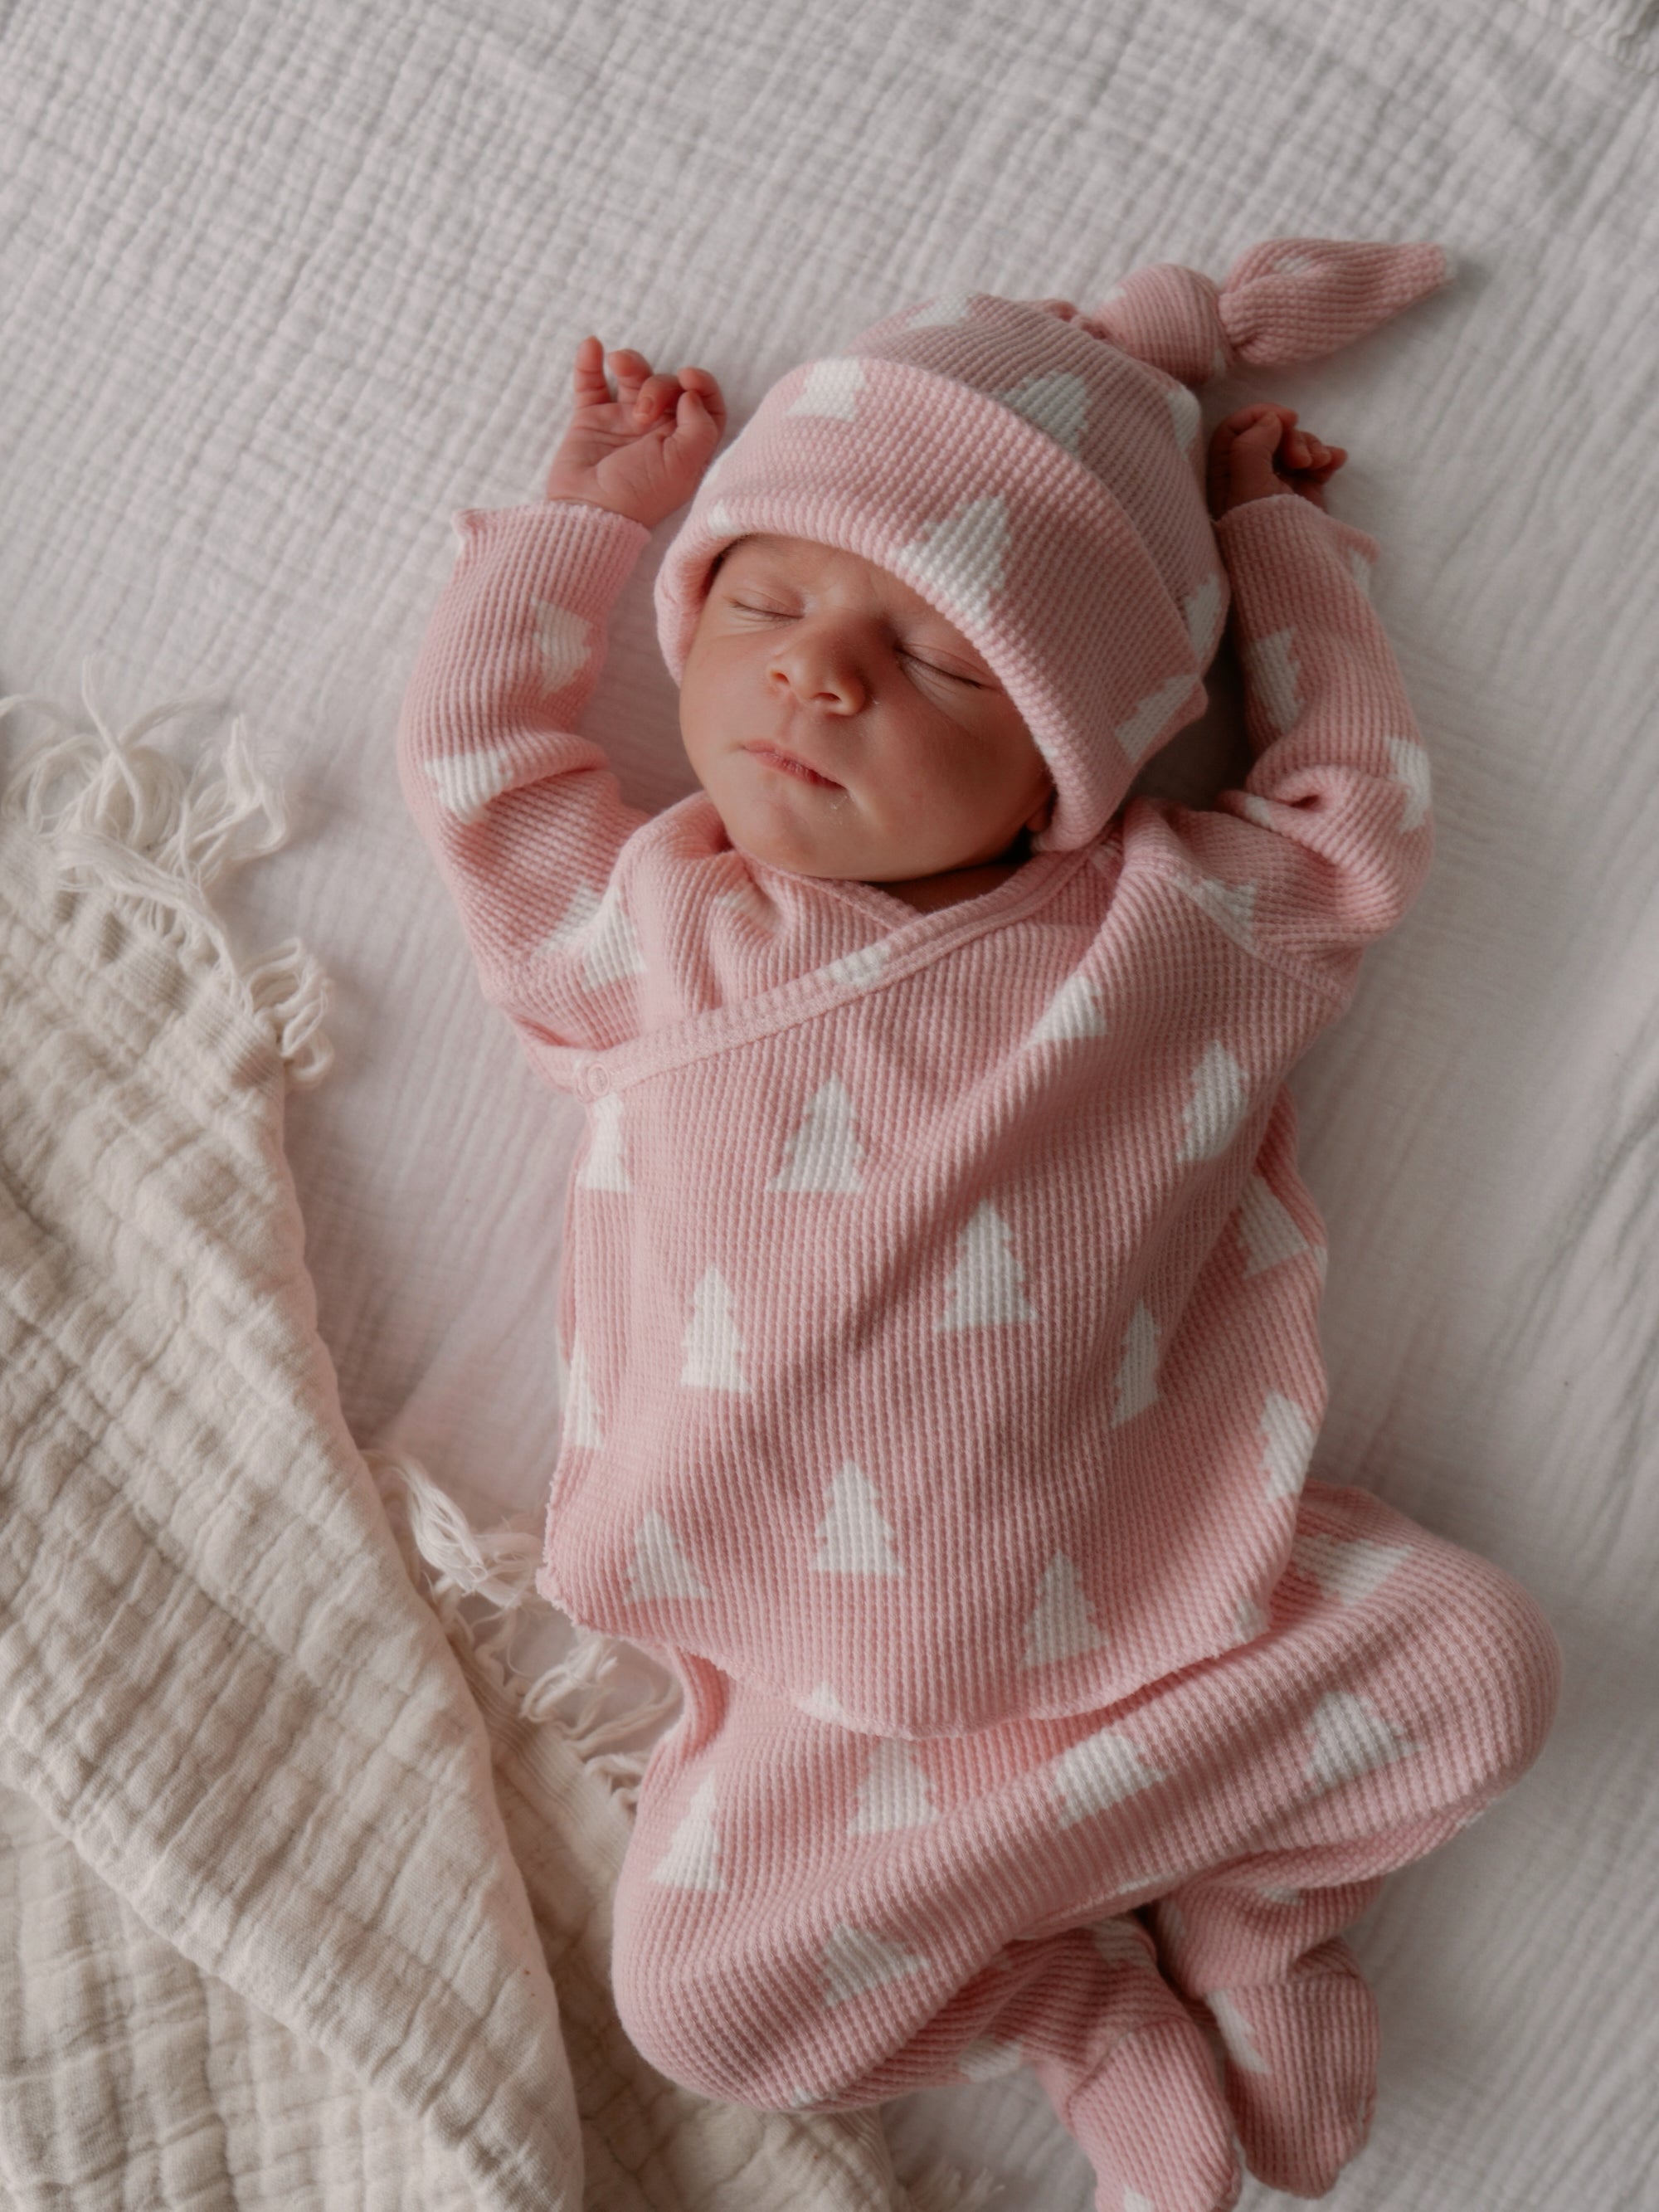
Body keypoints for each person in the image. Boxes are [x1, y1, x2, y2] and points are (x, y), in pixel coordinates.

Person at [396, 237, 1560, 2212]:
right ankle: (1069, 2002)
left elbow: (1352, 814)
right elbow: (478, 764)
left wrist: (1278, 545)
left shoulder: (1169, 932)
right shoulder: (651, 935)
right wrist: (586, 519)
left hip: (1154, 1607)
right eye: (765, 599)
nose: (821, 672)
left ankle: (1254, 1907)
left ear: (1060, 775)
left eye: (939, 660)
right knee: (703, 2009)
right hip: (809, 1665)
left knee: (1478, 1666)